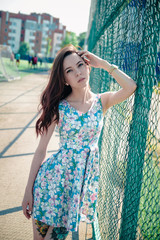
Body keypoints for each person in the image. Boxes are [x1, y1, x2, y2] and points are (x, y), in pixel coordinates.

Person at [22, 44, 137, 240]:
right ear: (64, 79)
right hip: (50, 184)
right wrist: (28, 191)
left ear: (88, 66)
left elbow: (130, 87)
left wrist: (103, 64)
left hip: (75, 190)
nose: (78, 73)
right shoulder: (59, 107)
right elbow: (41, 151)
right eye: (70, 71)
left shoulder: (102, 101)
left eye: (80, 65)